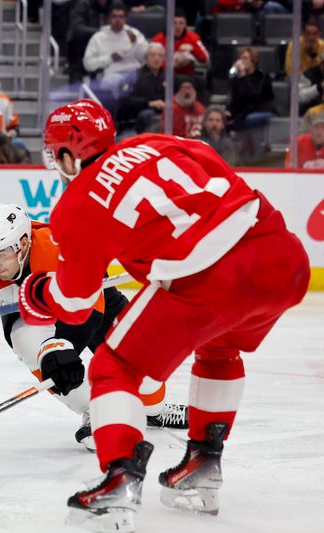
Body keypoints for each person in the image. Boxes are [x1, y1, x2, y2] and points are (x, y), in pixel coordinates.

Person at [20, 99, 309, 531]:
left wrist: (37, 293)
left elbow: (76, 305)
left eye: (55, 155)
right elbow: (225, 188)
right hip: (283, 256)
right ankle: (203, 465)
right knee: (218, 348)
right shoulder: (162, 142)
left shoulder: (76, 204)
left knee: (114, 366)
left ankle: (118, 481)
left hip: (213, 279)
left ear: (66, 154)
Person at [0, 202, 188, 456]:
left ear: (23, 244)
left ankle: (154, 411)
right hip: (29, 316)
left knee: (144, 364)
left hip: (90, 302)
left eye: (1, 254)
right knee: (28, 342)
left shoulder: (60, 248)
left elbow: (93, 309)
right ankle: (97, 411)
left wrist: (64, 344)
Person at [83, 3, 148, 102]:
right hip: (112, 74)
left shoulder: (134, 34)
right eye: (114, 16)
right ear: (108, 19)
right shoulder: (98, 37)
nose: (118, 20)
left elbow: (146, 57)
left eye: (121, 17)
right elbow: (88, 64)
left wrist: (135, 43)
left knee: (144, 80)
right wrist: (110, 58)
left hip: (134, 71)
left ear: (125, 19)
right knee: (114, 82)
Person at [117, 42, 165, 134]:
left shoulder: (168, 77)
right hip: (137, 116)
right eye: (153, 55)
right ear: (146, 58)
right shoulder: (135, 76)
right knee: (148, 115)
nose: (156, 58)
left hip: (162, 112)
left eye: (160, 55)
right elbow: (126, 99)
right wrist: (149, 103)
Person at [151, 10, 209, 78]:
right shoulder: (158, 39)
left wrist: (193, 49)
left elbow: (205, 59)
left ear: (185, 24)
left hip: (186, 78)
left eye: (181, 23)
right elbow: (150, 63)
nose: (177, 27)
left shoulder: (193, 37)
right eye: (174, 23)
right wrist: (172, 65)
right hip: (163, 76)